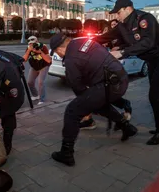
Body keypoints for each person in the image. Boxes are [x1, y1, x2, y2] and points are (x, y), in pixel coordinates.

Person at [93, 0, 159, 145]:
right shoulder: (122, 25)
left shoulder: (144, 19)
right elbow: (105, 37)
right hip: (152, 61)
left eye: (118, 13)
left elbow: (147, 42)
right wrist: (86, 41)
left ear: (128, 9)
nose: (116, 16)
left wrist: (122, 52)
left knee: (155, 96)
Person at [49, 33, 138, 166]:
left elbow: (78, 88)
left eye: (57, 53)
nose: (59, 55)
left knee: (72, 111)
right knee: (95, 101)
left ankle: (66, 153)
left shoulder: (71, 58)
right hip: (120, 78)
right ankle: (127, 127)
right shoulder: (85, 41)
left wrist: (86, 105)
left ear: (60, 49)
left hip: (110, 84)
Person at [23, 36, 52, 105]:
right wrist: (29, 50)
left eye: (34, 43)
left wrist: (40, 52)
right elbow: (24, 59)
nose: (33, 45)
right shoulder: (28, 48)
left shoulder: (43, 47)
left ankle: (42, 99)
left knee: (40, 82)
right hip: (35, 66)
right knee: (30, 82)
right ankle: (35, 95)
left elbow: (48, 60)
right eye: (31, 44)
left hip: (44, 66)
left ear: (37, 42)